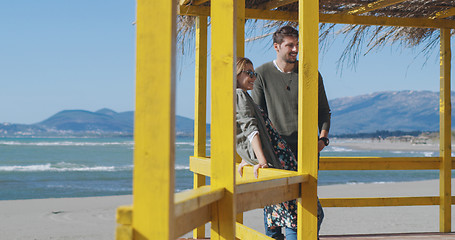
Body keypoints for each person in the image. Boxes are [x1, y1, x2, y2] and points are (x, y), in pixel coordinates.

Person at [251, 25, 331, 239]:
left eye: (297, 44)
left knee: (310, 209)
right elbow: (257, 117)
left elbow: (323, 111)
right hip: (275, 152)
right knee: (274, 210)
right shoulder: (261, 74)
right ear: (277, 47)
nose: (296, 49)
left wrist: (322, 140)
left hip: (306, 153)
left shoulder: (310, 73)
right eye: (290, 45)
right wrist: (257, 155)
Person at [235, 57, 299, 240]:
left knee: (280, 211)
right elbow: (250, 129)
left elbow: (247, 132)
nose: (254, 77)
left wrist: (247, 158)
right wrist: (260, 160)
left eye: (254, 73)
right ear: (236, 74)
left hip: (275, 156)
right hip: (276, 159)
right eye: (249, 73)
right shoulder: (239, 95)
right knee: (292, 214)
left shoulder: (242, 95)